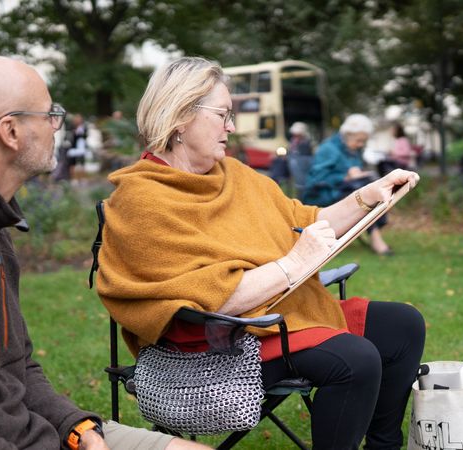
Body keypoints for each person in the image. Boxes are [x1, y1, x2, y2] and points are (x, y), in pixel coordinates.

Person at [96, 57, 425, 450]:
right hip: (213, 343)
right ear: (181, 116)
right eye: (222, 114)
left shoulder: (233, 174)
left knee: (403, 324)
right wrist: (294, 263)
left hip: (273, 316)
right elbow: (213, 299)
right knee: (355, 360)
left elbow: (303, 221)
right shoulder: (142, 200)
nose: (231, 127)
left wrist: (366, 197)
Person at [0, 56, 207, 450]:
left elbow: (18, 368)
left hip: (37, 432)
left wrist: (78, 429)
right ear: (11, 131)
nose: (57, 125)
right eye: (50, 114)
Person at [303, 114, 393, 255]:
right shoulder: (328, 149)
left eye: (363, 141)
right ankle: (376, 238)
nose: (361, 145)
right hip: (321, 194)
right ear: (347, 135)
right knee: (362, 197)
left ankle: (374, 233)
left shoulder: (353, 151)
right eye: (358, 140)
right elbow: (315, 180)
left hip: (344, 191)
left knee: (372, 190)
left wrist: (358, 175)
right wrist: (344, 176)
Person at [287, 121, 314, 198]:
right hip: (295, 163)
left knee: (301, 185)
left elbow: (307, 156)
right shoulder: (293, 140)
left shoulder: (306, 142)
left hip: (301, 165)